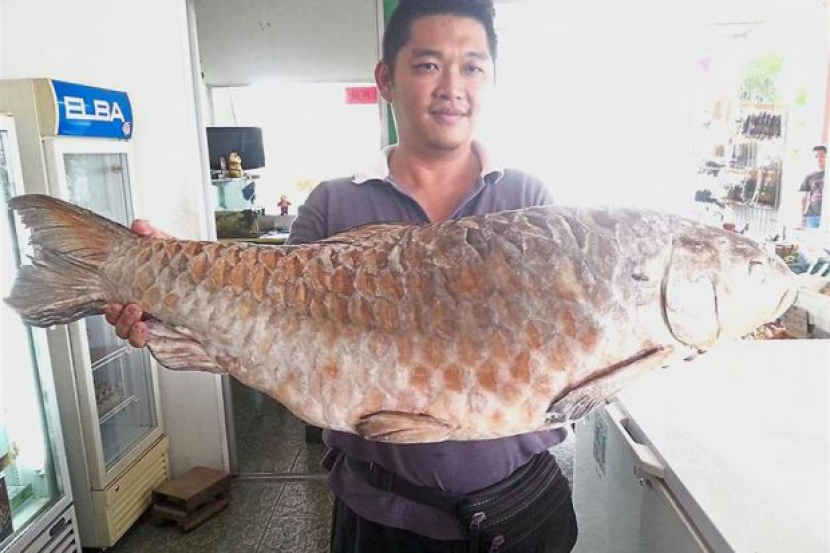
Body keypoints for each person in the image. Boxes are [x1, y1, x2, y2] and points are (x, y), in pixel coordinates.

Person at [105, 1, 578, 551]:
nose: (452, 86)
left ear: (491, 80)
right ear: (386, 78)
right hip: (379, 515)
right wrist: (169, 288)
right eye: (428, 64)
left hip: (515, 509)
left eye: (472, 67)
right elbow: (270, 326)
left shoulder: (529, 202)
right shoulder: (334, 203)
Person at [800, 145, 826, 229]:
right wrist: (801, 219)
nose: (819, 159)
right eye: (816, 156)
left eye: (822, 156)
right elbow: (803, 199)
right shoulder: (809, 176)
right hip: (812, 216)